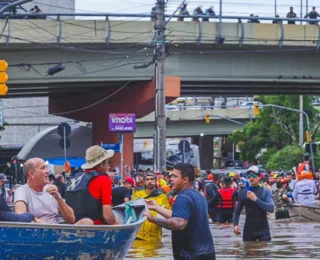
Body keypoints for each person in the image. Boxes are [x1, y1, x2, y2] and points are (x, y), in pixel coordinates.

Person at [144, 163, 215, 260]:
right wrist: (157, 207)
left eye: (174, 176)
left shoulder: (183, 197)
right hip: (207, 254)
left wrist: (153, 219)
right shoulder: (198, 195)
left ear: (185, 180)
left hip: (190, 255)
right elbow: (180, 216)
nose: (170, 179)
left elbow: (179, 223)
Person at [14, 158, 92, 225]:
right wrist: (47, 226)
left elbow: (71, 219)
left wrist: (58, 198)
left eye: (47, 167)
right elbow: (21, 219)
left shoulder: (50, 189)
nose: (48, 171)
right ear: (31, 174)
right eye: (43, 168)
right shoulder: (22, 191)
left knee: (87, 222)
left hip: (57, 231)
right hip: (39, 233)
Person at [65, 145, 118, 225]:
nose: (108, 166)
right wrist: (116, 221)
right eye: (107, 162)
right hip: (95, 228)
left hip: (73, 226)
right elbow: (108, 217)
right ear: (101, 164)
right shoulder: (103, 179)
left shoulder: (73, 179)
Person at [233, 166, 274, 241]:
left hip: (263, 230)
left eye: (254, 175)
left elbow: (271, 208)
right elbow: (237, 211)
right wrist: (235, 225)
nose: (251, 178)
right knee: (248, 250)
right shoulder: (243, 192)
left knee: (266, 250)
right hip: (249, 230)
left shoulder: (265, 191)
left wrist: (256, 199)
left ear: (259, 177)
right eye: (249, 176)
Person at [132, 172, 170, 242]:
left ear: (155, 181)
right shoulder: (138, 195)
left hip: (156, 237)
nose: (150, 181)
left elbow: (167, 214)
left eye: (152, 179)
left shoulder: (163, 197)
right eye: (147, 179)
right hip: (139, 237)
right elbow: (132, 211)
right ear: (144, 182)